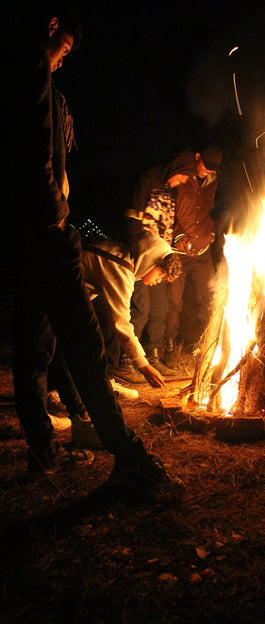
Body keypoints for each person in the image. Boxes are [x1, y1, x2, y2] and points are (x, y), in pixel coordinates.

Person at [2, 2, 182, 500]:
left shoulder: (12, 63)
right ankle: (125, 457)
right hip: (43, 228)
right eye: (64, 50)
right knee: (83, 340)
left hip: (21, 232)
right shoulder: (30, 60)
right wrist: (57, 216)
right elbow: (37, 149)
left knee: (33, 344)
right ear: (52, 25)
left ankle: (43, 451)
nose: (62, 60)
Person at [113, 151, 196, 383]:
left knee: (160, 309)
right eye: (182, 177)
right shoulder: (147, 181)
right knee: (140, 311)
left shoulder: (170, 192)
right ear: (174, 167)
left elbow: (171, 224)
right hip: (140, 260)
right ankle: (126, 363)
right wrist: (135, 253)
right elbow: (132, 219)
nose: (182, 182)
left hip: (161, 259)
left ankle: (153, 357)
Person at [82, 230, 182, 386]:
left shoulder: (125, 259)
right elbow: (122, 323)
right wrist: (144, 365)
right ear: (150, 260)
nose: (158, 280)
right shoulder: (121, 269)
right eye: (161, 274)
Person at [164, 146, 223, 369]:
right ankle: (168, 349)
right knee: (173, 303)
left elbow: (207, 211)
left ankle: (208, 345)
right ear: (198, 157)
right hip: (177, 253)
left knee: (208, 298)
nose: (206, 172)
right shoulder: (182, 176)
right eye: (205, 167)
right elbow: (167, 209)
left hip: (202, 251)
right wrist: (176, 233)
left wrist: (211, 233)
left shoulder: (212, 181)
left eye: (212, 170)